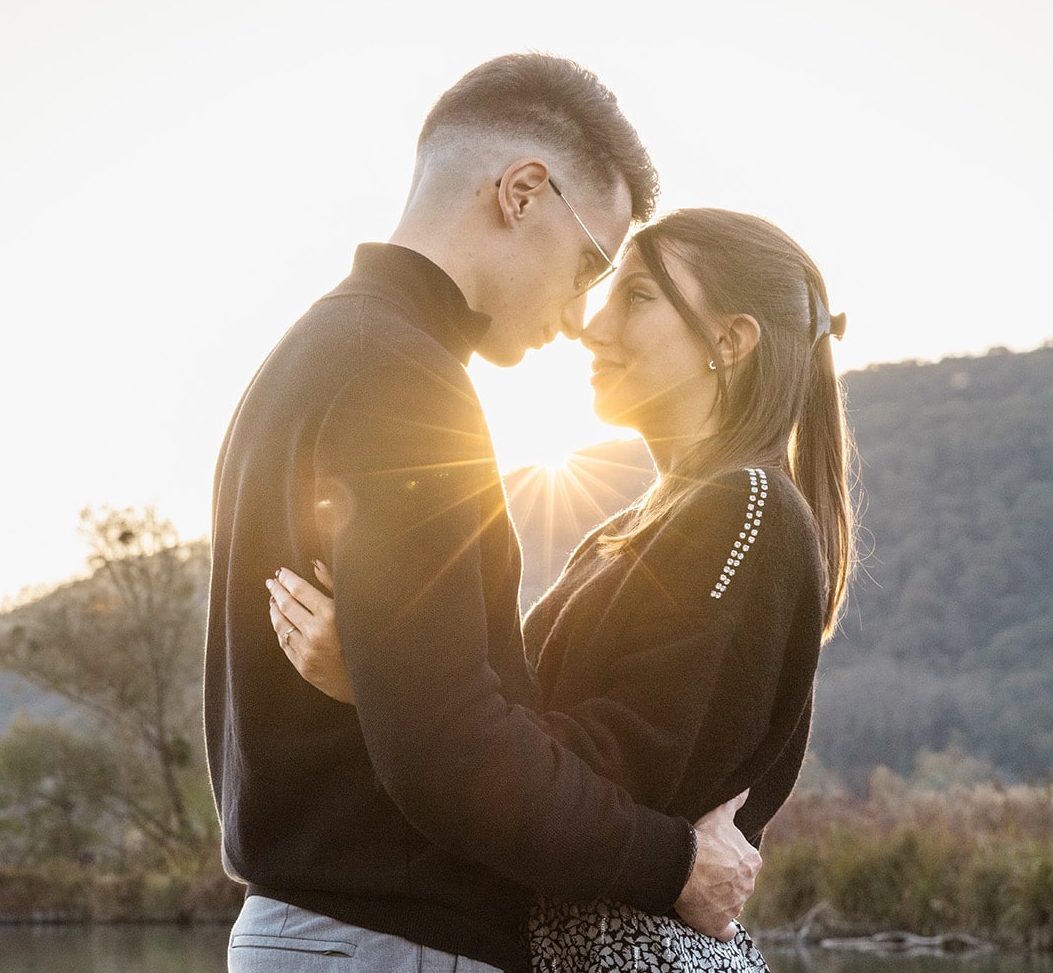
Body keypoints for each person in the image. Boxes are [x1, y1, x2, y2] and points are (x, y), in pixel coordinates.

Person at [205, 54, 760, 973]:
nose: (583, 313)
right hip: (393, 945)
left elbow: (430, 709)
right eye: (589, 262)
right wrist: (675, 867)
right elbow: (449, 750)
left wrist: (383, 683)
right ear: (521, 192)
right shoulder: (404, 379)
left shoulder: (313, 355)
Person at [271, 206, 857, 971]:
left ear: (730, 340)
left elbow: (612, 768)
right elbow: (533, 717)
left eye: (639, 298)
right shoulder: (646, 525)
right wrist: (399, 670)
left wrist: (384, 684)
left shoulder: (746, 511)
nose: (592, 325)